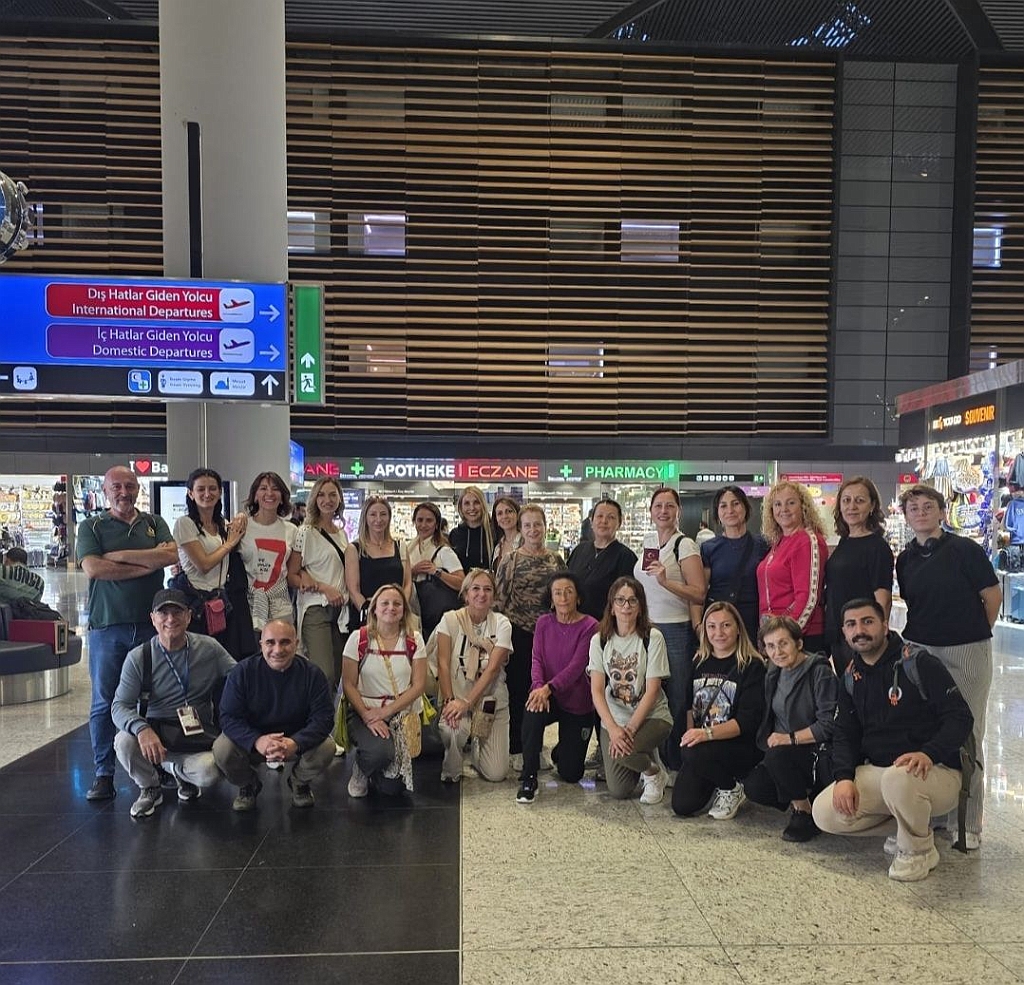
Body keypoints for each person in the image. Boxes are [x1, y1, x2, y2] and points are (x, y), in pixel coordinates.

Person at [812, 599, 974, 882]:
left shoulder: (919, 663)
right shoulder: (850, 677)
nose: (859, 631)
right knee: (824, 813)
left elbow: (960, 717)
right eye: (851, 625)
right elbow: (845, 734)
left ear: (885, 625)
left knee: (898, 779)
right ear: (844, 632)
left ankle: (918, 851)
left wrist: (929, 753)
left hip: (936, 771)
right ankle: (909, 827)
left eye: (868, 622)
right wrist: (844, 778)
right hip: (883, 772)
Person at [895, 484, 1000, 849]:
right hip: (921, 650)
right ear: (906, 517)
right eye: (913, 508)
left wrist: (973, 631)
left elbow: (992, 596)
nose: (921, 513)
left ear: (942, 512)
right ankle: (936, 813)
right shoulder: (905, 559)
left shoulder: (965, 550)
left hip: (966, 649)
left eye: (928, 506)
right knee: (927, 728)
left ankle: (967, 822)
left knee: (967, 733)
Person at [76, 465, 177, 801]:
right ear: (106, 491)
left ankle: (158, 766)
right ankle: (103, 773)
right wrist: (147, 564)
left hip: (152, 626)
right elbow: (94, 568)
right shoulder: (91, 526)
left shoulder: (154, 523)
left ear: (138, 489)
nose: (124, 492)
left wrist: (119, 558)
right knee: (104, 700)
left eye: (129, 486)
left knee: (156, 697)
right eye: (116, 486)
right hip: (108, 626)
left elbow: (170, 555)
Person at [111, 589, 235, 818]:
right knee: (123, 741)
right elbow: (119, 706)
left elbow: (240, 678)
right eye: (163, 613)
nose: (170, 619)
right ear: (153, 619)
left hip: (195, 737)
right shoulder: (138, 657)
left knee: (210, 772)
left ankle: (176, 772)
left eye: (177, 612)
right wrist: (142, 729)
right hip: (155, 735)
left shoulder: (209, 649)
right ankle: (150, 787)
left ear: (188, 616)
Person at [214, 619, 335, 811]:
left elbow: (324, 718)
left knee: (327, 747)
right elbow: (228, 717)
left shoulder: (313, 674)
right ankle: (248, 785)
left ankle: (299, 782)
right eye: (270, 642)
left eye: (285, 642)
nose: (277, 650)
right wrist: (256, 741)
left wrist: (295, 742)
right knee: (222, 749)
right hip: (254, 742)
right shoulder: (242, 672)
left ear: (296, 643)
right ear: (261, 644)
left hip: (295, 742)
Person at [743, 616, 837, 842]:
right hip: (783, 750)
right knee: (754, 786)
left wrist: (789, 738)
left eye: (783, 643)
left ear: (799, 643)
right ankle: (805, 798)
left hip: (815, 750)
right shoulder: (774, 671)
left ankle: (803, 810)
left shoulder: (819, 672)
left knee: (777, 756)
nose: (777, 652)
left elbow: (828, 725)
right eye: (770, 646)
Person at [670, 601, 766, 820]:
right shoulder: (699, 661)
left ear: (738, 628)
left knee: (693, 752)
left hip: (737, 744)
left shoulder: (751, 665)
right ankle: (714, 775)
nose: (718, 633)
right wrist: (689, 737)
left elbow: (747, 721)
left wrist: (705, 735)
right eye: (712, 626)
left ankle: (732, 787)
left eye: (726, 625)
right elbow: (688, 707)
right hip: (702, 746)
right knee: (682, 805)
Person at [633, 486, 705, 765]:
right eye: (658, 506)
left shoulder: (684, 545)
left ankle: (675, 760)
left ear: (678, 511)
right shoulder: (649, 541)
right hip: (647, 629)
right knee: (649, 693)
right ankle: (654, 755)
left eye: (669, 506)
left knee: (676, 696)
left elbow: (698, 593)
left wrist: (666, 582)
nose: (663, 511)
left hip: (675, 631)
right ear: (651, 511)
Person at [588, 576, 672, 805]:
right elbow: (597, 691)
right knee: (619, 790)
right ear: (612, 607)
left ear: (640, 607)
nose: (626, 606)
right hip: (615, 718)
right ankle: (646, 760)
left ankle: (654, 774)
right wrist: (614, 729)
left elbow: (653, 690)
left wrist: (631, 730)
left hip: (652, 716)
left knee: (627, 752)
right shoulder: (599, 640)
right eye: (620, 600)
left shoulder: (652, 638)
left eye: (633, 601)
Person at [494, 503, 566, 770]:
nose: (533, 530)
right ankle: (517, 748)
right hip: (519, 635)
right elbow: (499, 601)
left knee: (544, 692)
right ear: (521, 529)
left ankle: (536, 746)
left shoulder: (556, 560)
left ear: (545, 527)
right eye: (528, 525)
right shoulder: (510, 560)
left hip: (550, 636)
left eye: (538, 524)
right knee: (518, 691)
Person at [516, 571, 598, 803]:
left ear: (578, 597)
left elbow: (577, 666)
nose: (563, 598)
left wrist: (548, 688)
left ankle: (562, 750)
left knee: (571, 774)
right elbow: (537, 659)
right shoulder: (544, 623)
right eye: (558, 593)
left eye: (569, 592)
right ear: (551, 599)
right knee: (532, 708)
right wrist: (538, 688)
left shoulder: (590, 626)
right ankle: (529, 776)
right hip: (547, 696)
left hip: (577, 701)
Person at [343, 584, 427, 796]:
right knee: (380, 753)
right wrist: (368, 715)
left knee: (392, 789)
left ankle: (377, 769)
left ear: (404, 610)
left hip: (400, 715)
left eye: (397, 603)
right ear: (374, 609)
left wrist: (386, 712)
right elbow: (348, 684)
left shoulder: (414, 640)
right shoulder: (358, 638)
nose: (391, 607)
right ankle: (362, 768)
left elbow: (419, 685)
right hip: (365, 712)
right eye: (385, 603)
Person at [437, 569, 513, 783]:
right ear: (466, 594)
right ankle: (452, 761)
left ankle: (478, 751)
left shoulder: (502, 623)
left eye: (487, 589)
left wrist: (468, 703)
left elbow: (492, 669)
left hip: (490, 702)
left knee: (496, 774)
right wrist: (451, 702)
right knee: (452, 730)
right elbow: (442, 663)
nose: (481, 594)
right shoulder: (450, 620)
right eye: (475, 589)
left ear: (494, 595)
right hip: (457, 696)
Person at [172, 467, 255, 659]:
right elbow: (203, 564)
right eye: (201, 489)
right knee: (198, 658)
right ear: (191, 494)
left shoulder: (222, 524)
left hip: (219, 600)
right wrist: (229, 544)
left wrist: (241, 518)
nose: (207, 494)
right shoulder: (185, 524)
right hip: (195, 601)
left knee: (222, 657)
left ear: (220, 492)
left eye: (212, 489)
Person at [286, 476, 350, 689]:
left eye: (332, 495)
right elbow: (292, 575)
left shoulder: (341, 534)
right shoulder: (306, 532)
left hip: (340, 611)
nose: (327, 500)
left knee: (340, 673)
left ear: (340, 499)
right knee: (324, 673)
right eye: (321, 495)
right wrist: (323, 587)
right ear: (314, 498)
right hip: (316, 608)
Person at [823, 476, 893, 656]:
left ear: (872, 506)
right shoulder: (845, 542)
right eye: (846, 500)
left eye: (859, 501)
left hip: (861, 637)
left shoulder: (877, 547)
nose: (851, 506)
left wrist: (878, 637)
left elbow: (883, 599)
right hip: (840, 633)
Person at [756, 480, 828, 654]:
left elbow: (808, 597)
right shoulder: (780, 542)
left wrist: (789, 637)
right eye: (777, 504)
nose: (784, 509)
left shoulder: (806, 540)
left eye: (791, 503)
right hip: (776, 633)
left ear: (803, 506)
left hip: (801, 637)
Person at [700, 485, 768, 643]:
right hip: (720, 622)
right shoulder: (708, 548)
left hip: (752, 620)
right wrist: (699, 625)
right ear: (717, 512)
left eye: (736, 504)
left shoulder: (763, 544)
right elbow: (701, 592)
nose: (730, 510)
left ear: (745, 507)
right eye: (723, 506)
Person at [236, 471, 295, 630]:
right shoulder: (242, 527)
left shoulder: (292, 530)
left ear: (282, 497)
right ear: (255, 496)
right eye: (263, 488)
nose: (269, 493)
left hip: (281, 608)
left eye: (275, 489)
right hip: (249, 607)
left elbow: (294, 570)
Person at [345, 495, 412, 627]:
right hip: (367, 619)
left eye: (383, 514)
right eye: (373, 514)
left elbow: (407, 583)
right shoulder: (354, 549)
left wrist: (401, 607)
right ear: (365, 517)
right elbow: (353, 590)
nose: (378, 519)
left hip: (396, 618)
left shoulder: (400, 547)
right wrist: (370, 613)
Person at [567, 499, 638, 622]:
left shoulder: (626, 557)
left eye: (611, 517)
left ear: (619, 523)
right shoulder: (579, 550)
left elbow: (628, 598)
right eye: (599, 516)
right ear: (591, 521)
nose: (604, 521)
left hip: (606, 625)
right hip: (575, 624)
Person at [406, 501, 463, 641]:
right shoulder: (408, 549)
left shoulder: (444, 551)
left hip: (437, 618)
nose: (423, 525)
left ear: (436, 524)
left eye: (429, 521)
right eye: (420, 520)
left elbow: (461, 583)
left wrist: (436, 572)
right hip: (414, 613)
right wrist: (412, 571)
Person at [448, 485, 493, 572]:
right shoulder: (455, 534)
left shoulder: (493, 532)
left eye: (476, 502)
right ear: (461, 507)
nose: (472, 508)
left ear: (483, 505)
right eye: (467, 503)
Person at [490, 496, 522, 569]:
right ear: (496, 520)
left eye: (509, 511)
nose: (504, 516)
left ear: (518, 515)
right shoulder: (498, 547)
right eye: (500, 513)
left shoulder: (527, 542)